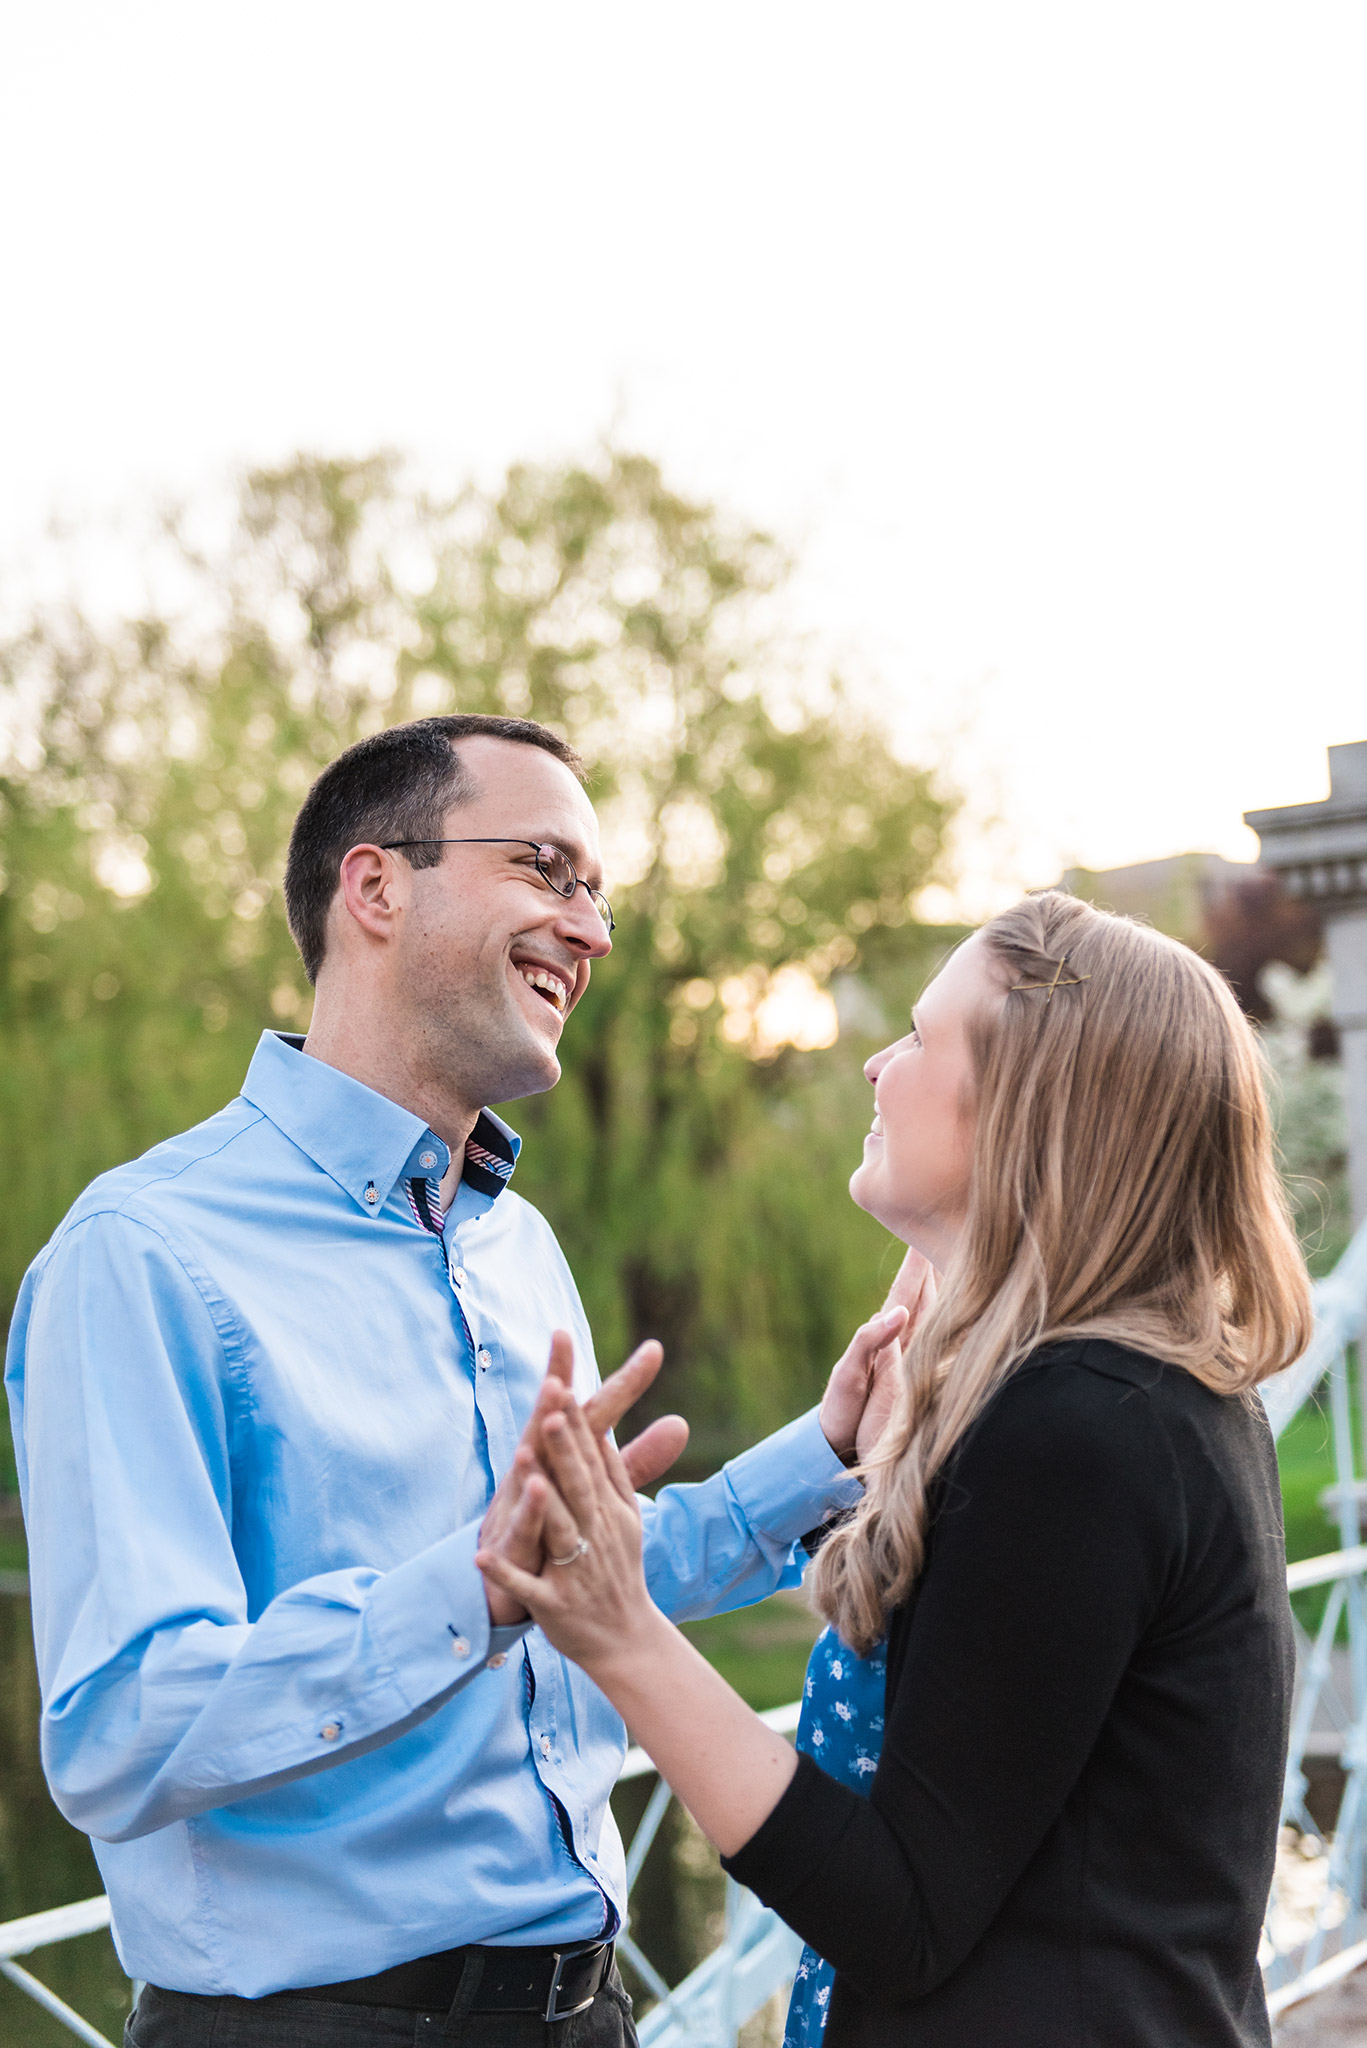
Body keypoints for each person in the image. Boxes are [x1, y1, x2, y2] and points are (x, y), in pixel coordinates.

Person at [4, 713, 916, 2048]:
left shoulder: (513, 1242)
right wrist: (470, 1587)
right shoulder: (143, 1254)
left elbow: (578, 1585)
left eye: (596, 893)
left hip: (585, 2014)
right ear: (373, 886)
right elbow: (121, 1729)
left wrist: (822, 1448)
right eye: (547, 871)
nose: (592, 931)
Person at [478, 890, 1313, 2048]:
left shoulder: (1077, 1428)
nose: (875, 1062)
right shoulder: (1138, 1399)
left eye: (921, 1035)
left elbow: (901, 1911)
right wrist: (880, 1457)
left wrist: (620, 1630)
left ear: (1027, 1104)